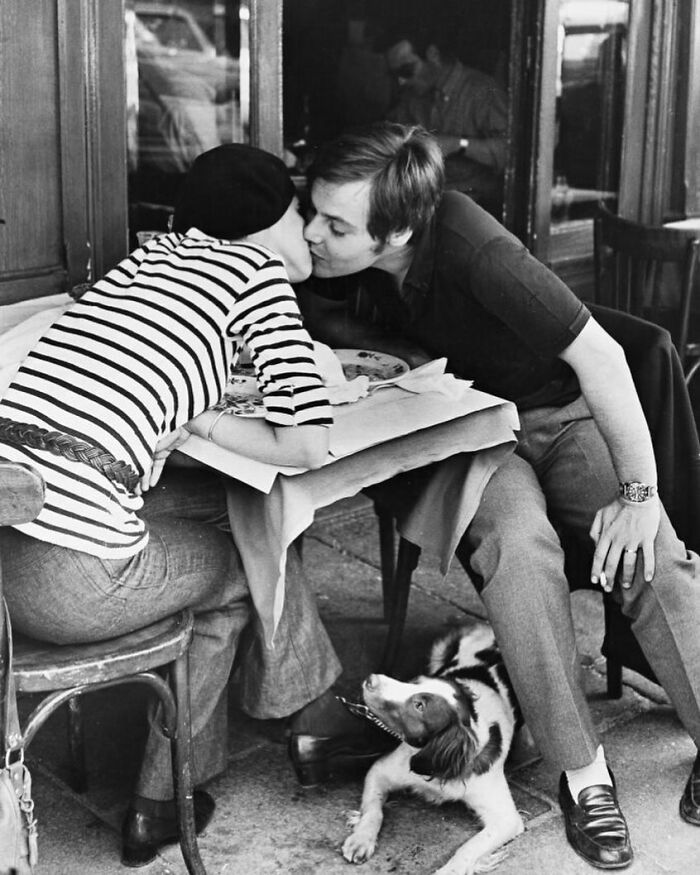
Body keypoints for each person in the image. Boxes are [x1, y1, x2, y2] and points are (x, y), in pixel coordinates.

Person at [294, 122, 700, 870]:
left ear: (396, 231)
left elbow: (603, 356)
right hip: (472, 433)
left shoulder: (475, 246)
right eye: (312, 211)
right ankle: (584, 772)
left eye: (334, 223)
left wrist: (639, 494)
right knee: (517, 549)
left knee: (651, 547)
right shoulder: (323, 253)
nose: (312, 231)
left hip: (559, 410)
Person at [0, 144, 389, 867]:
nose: (307, 230)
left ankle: (312, 716)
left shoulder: (149, 259)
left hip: (6, 562)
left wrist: (191, 414)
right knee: (244, 563)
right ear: (268, 221)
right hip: (73, 583)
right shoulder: (256, 276)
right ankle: (165, 799)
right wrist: (206, 421)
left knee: (228, 512)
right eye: (299, 211)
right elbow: (305, 443)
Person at [382, 26, 507, 214]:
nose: (401, 81)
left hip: (476, 207)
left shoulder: (481, 90)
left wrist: (460, 145)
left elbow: (509, 153)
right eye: (395, 74)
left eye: (407, 70)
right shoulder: (410, 97)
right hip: (424, 204)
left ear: (432, 54)